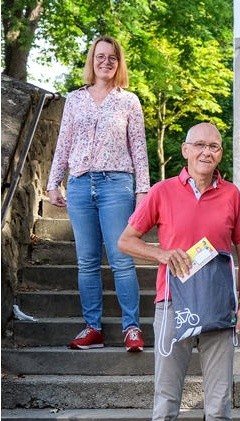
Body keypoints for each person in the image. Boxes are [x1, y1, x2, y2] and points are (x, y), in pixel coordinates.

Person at [118, 123, 240, 421]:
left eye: (214, 146)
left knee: (219, 407)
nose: (207, 151)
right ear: (185, 150)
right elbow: (126, 240)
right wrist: (160, 253)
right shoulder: (161, 192)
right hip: (172, 308)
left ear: (220, 154)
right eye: (200, 144)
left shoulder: (231, 195)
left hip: (219, 311)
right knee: (165, 406)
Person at [46, 35, 149, 352]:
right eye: (100, 56)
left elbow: (139, 149)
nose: (106, 62)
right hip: (78, 186)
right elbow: (64, 143)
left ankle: (131, 328)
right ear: (92, 60)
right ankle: (93, 328)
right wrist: (54, 181)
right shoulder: (74, 99)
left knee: (122, 259)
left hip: (116, 185)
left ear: (119, 64)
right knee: (87, 262)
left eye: (112, 58)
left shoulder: (129, 101)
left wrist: (143, 191)